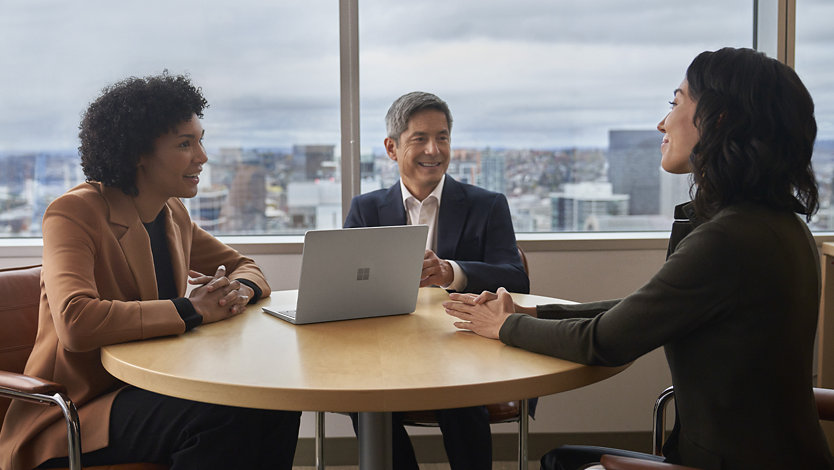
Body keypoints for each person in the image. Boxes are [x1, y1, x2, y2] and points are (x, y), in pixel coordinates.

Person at [443, 47, 834, 470]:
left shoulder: (730, 239)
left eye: (676, 102)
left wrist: (506, 327)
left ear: (719, 119)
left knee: (562, 463)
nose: (662, 122)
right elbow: (642, 310)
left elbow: (603, 342)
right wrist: (527, 312)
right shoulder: (775, 225)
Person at [0, 73, 300, 470]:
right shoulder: (74, 213)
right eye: (184, 144)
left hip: (153, 385)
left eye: (200, 140)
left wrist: (239, 290)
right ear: (138, 152)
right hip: (77, 409)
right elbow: (76, 321)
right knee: (224, 414)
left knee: (276, 397)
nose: (203, 156)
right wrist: (191, 309)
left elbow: (247, 266)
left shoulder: (173, 212)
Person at [344, 91, 529, 470]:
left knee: (459, 393)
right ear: (392, 148)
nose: (434, 149)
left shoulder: (487, 204)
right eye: (420, 138)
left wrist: (451, 272)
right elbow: (346, 289)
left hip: (465, 344)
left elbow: (516, 279)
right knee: (360, 399)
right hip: (389, 350)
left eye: (442, 137)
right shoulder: (366, 209)